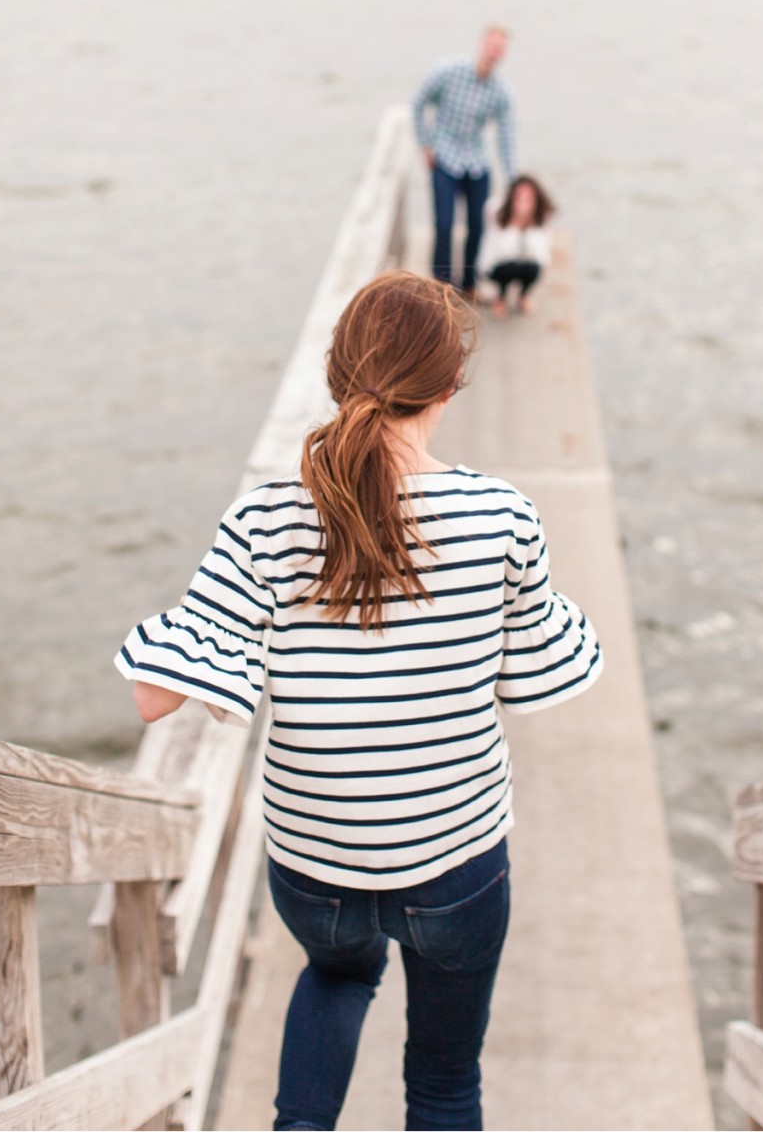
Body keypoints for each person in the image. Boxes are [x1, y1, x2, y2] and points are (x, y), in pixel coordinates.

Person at [115, 271, 602, 1131]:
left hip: (315, 860)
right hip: (454, 855)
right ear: (450, 385)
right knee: (445, 1083)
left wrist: (229, 606)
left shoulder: (266, 519)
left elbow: (156, 697)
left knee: (338, 974)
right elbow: (544, 666)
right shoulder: (502, 516)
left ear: (338, 375)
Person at [412, 26, 517, 298]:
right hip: (444, 156)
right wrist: (425, 143)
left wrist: (513, 181)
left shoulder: (501, 92)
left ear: (504, 53)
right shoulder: (448, 71)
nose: (494, 51)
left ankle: (469, 283)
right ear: (482, 43)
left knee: (477, 226)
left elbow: (506, 138)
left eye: (500, 48)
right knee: (444, 224)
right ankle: (439, 286)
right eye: (492, 45)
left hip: (476, 161)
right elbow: (419, 102)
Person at [479, 175, 556, 317]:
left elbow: (541, 257)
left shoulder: (541, 217)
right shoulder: (496, 212)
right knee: (509, 268)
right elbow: (501, 254)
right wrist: (516, 223)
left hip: (525, 265)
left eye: (529, 198)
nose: (523, 203)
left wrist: (527, 225)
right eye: (520, 197)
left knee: (533, 268)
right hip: (498, 266)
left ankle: (523, 295)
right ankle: (501, 297)